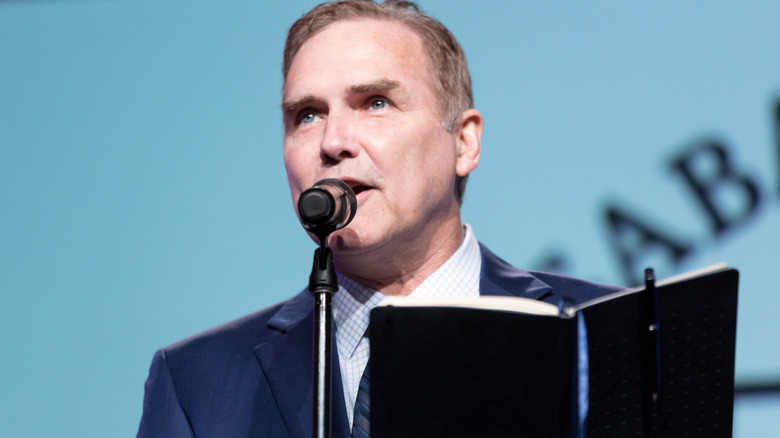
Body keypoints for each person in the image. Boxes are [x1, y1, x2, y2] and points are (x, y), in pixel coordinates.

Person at [137, 1, 621, 437]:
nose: (332, 142)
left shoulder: (612, 333)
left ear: (464, 142)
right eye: (307, 115)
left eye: (375, 103)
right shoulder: (196, 383)